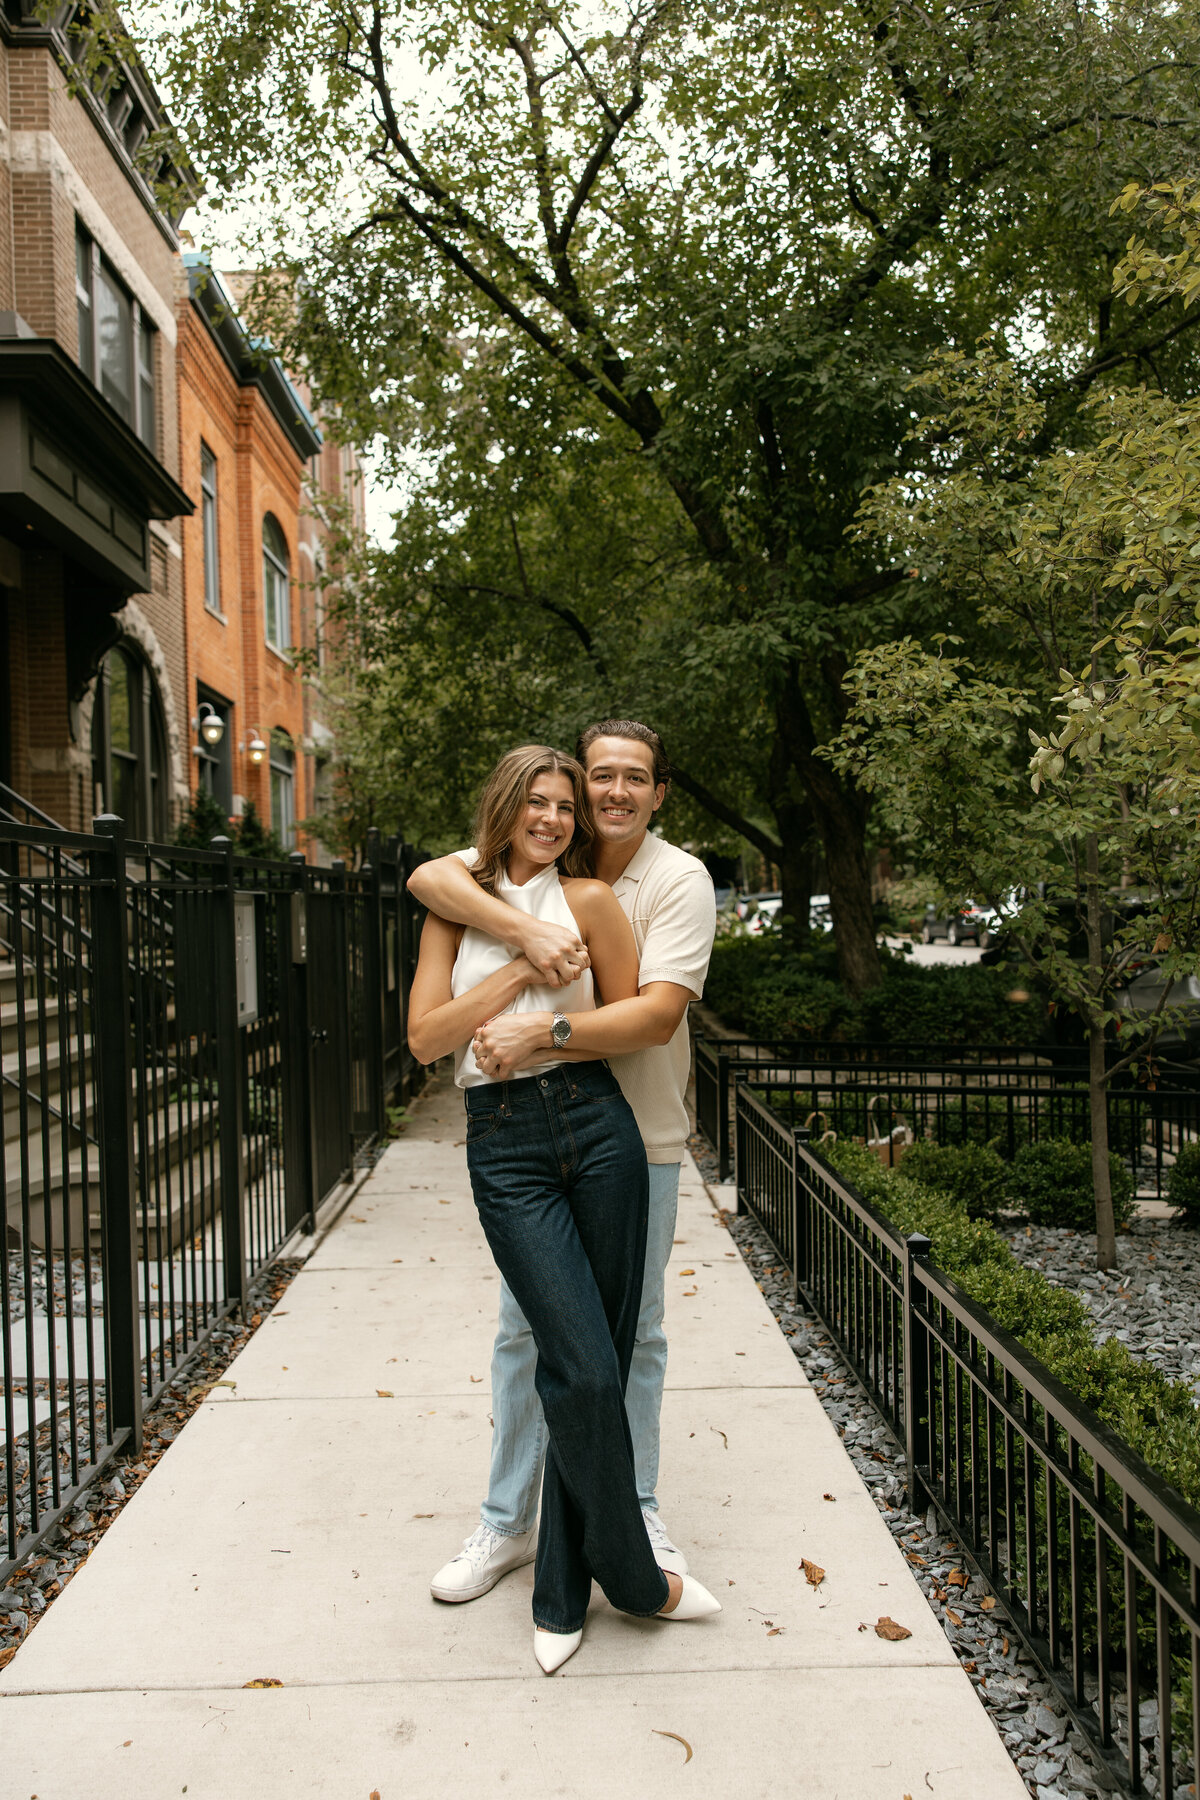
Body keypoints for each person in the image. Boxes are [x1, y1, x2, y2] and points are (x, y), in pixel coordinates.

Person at [406, 743, 720, 1673]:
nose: (551, 819)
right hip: (504, 1146)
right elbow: (427, 1038)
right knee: (568, 1361)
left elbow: (634, 1023)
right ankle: (628, 1577)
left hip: (600, 1130)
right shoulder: (451, 905)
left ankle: (561, 1591)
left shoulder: (594, 900)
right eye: (535, 803)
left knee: (609, 1351)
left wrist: (542, 1028)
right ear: (503, 805)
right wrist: (518, 970)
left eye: (563, 807)